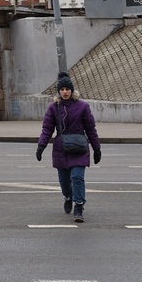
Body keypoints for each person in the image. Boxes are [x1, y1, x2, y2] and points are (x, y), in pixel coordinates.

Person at [36, 72, 101, 223]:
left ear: (72, 91)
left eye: (67, 89)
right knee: (64, 181)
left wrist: (97, 148)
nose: (65, 92)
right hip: (61, 148)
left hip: (79, 147)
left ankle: (79, 206)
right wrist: (41, 146)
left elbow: (91, 129)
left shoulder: (83, 106)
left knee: (77, 177)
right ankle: (68, 196)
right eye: (62, 89)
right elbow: (47, 129)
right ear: (59, 91)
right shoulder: (54, 108)